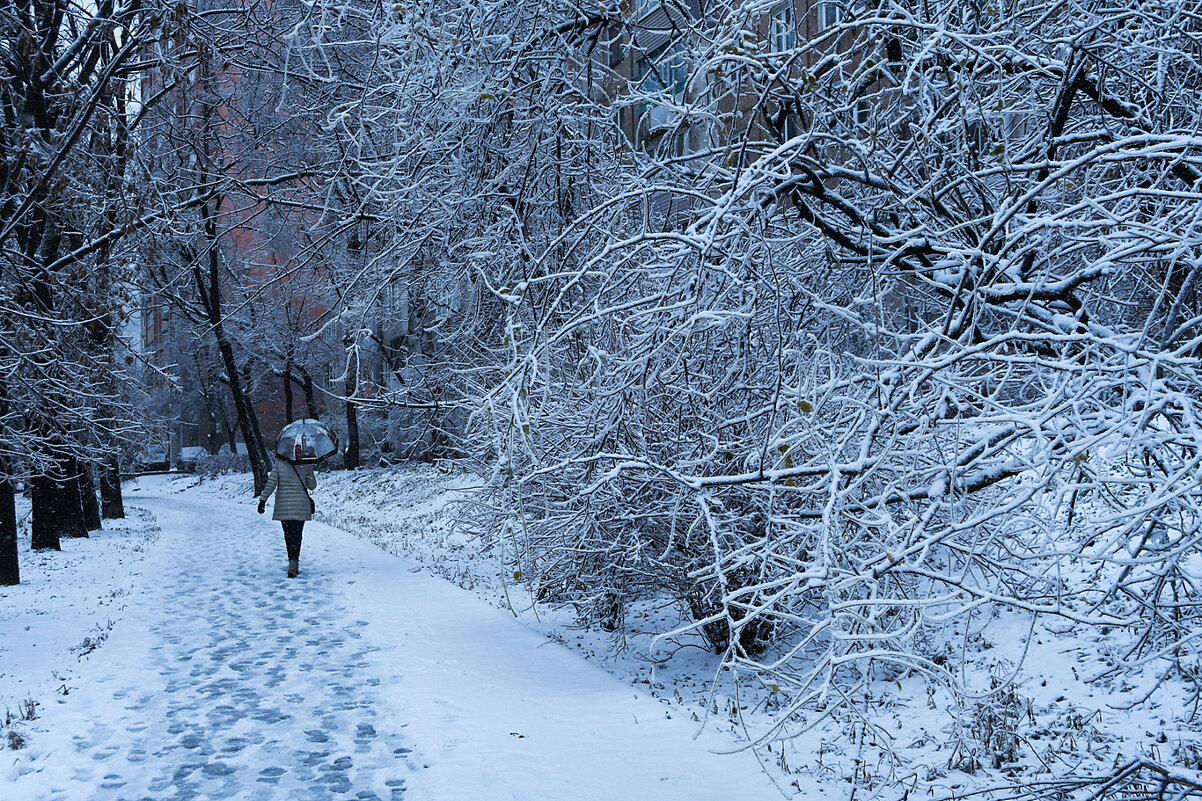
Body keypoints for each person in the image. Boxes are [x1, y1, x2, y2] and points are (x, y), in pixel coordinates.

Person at [257, 456, 317, 578]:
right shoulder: (306, 463)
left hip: (284, 505)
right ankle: (294, 562)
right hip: (300, 505)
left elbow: (271, 483)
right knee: (297, 535)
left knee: (288, 535)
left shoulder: (280, 463)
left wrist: (263, 500)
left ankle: (292, 561)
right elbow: (312, 486)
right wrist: (309, 470)